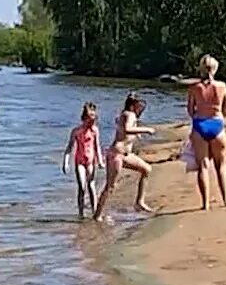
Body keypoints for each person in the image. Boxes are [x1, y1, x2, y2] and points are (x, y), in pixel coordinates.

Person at [94, 93, 157, 221]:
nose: (141, 110)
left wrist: (135, 132)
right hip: (116, 155)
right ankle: (98, 215)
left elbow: (123, 128)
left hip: (126, 155)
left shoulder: (125, 115)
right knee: (110, 186)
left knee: (146, 169)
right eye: (140, 107)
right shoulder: (129, 114)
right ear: (134, 105)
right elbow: (127, 129)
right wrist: (145, 130)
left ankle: (139, 202)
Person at [187, 55, 226, 209]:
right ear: (215, 69)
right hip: (217, 124)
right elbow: (225, 107)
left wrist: (198, 118)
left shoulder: (194, 88)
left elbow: (190, 109)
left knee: (203, 166)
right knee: (221, 165)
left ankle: (205, 203)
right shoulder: (222, 86)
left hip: (200, 124)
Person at [61, 102, 103, 219]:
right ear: (84, 118)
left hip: (90, 160)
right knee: (82, 186)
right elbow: (69, 148)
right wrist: (65, 162)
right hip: (79, 161)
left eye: (94, 118)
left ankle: (95, 212)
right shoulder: (76, 131)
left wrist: (100, 160)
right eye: (90, 119)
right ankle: (81, 213)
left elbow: (97, 146)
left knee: (91, 185)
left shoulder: (94, 130)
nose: (93, 121)